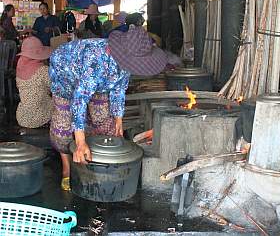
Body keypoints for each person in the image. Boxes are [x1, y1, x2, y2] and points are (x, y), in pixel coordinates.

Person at [49, 25, 168, 191]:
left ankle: (95, 162)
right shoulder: (95, 60)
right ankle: (67, 167)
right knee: (64, 122)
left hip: (99, 80)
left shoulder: (126, 62)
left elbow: (119, 89)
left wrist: (118, 118)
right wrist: (81, 142)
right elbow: (79, 100)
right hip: (65, 73)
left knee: (104, 119)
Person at [16, 36, 53, 128]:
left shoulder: (20, 68)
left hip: (23, 117)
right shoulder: (43, 70)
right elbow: (56, 88)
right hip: (40, 117)